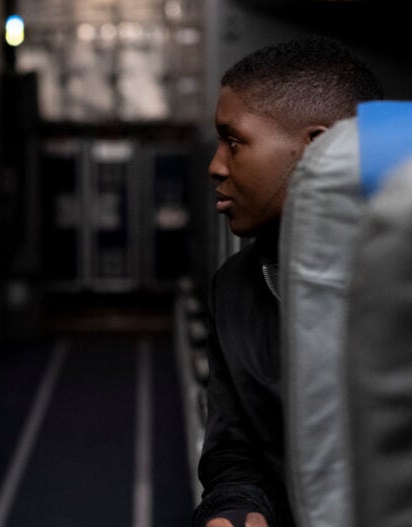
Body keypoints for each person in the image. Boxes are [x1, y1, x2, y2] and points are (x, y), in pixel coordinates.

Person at [193, 36, 383, 527]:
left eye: (234, 142)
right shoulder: (234, 288)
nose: (215, 165)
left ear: (318, 149)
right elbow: (236, 450)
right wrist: (236, 508)